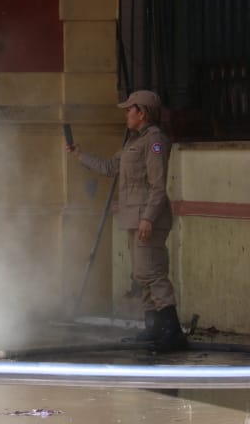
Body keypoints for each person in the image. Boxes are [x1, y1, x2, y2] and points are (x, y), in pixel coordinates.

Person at [66, 90, 187, 352]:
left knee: (152, 273)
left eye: (128, 110)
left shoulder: (154, 141)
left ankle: (172, 330)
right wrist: (80, 155)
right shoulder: (134, 142)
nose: (125, 115)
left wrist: (148, 218)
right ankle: (154, 327)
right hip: (135, 218)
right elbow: (111, 167)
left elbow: (157, 186)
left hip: (148, 219)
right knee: (141, 273)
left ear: (141, 113)